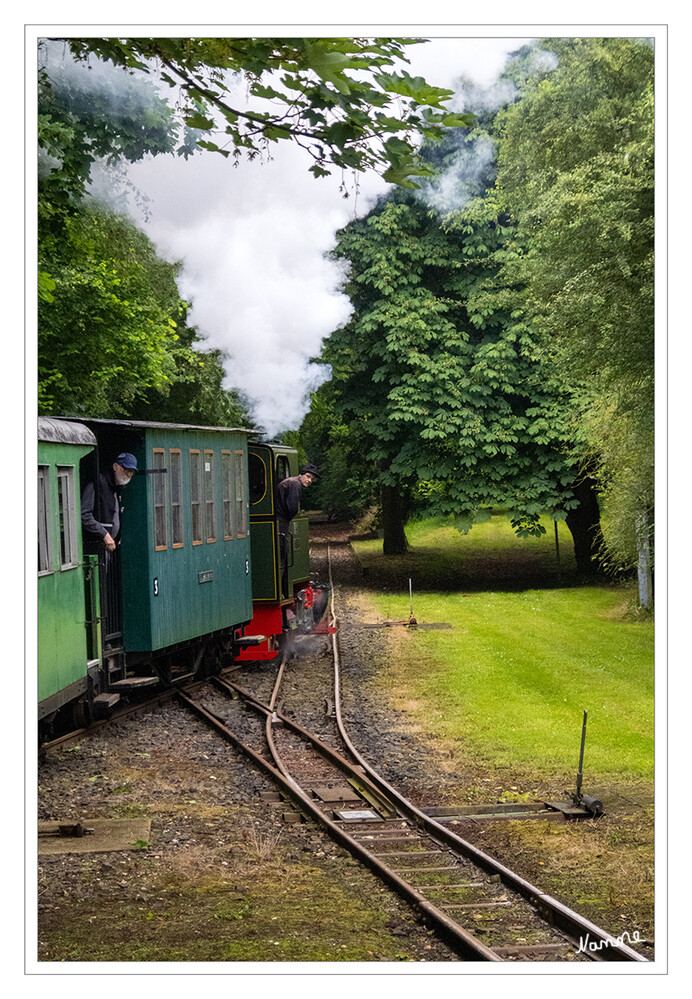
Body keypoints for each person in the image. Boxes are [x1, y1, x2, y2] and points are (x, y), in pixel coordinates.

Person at [81, 453, 138, 554]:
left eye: (132, 472)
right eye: (127, 470)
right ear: (115, 467)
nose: (129, 475)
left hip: (108, 547)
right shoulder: (98, 483)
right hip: (94, 546)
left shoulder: (117, 486)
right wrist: (104, 534)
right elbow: (84, 515)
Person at [276, 464, 319, 595]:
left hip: (280, 518)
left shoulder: (290, 482)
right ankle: (283, 589)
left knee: (283, 554)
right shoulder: (295, 485)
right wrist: (291, 517)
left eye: (311, 478)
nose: (309, 480)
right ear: (301, 475)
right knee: (283, 553)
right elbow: (292, 506)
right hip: (282, 520)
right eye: (308, 477)